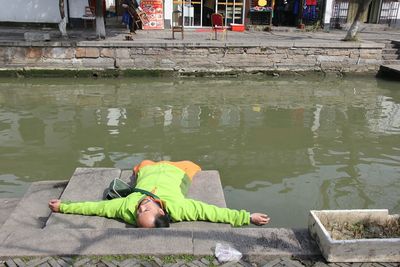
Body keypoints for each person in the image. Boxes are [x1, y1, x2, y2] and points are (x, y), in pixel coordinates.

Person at [49, 160, 270, 228]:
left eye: (139, 211)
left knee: (141, 164)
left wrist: (64, 206)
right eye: (145, 210)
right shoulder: (179, 208)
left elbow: (93, 207)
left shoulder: (123, 207)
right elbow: (212, 212)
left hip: (149, 168)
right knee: (194, 166)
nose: (140, 207)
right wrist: (247, 217)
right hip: (178, 170)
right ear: (162, 210)